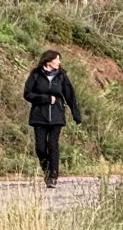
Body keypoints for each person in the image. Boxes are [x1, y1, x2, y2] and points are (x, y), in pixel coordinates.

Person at [24, 49, 82, 189]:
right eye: (57, 59)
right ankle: (46, 170)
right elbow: (27, 94)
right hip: (39, 116)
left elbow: (70, 96)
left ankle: (53, 176)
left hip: (56, 116)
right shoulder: (36, 75)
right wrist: (45, 99)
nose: (59, 62)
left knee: (53, 145)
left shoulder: (62, 76)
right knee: (40, 147)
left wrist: (76, 114)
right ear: (48, 61)